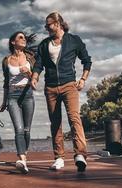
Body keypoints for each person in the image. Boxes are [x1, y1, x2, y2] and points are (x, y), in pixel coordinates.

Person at [31, 11, 92, 172]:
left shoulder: (74, 40)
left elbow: (86, 60)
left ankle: (80, 155)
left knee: (74, 118)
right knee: (55, 122)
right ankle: (59, 158)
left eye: (48, 25)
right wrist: (35, 77)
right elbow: (38, 64)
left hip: (69, 85)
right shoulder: (44, 44)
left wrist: (83, 79)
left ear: (58, 24)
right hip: (50, 87)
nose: (46, 28)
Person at [0, 31, 36, 174]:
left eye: (24, 37)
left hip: (27, 94)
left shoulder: (30, 58)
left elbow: (35, 81)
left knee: (27, 130)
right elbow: (5, 82)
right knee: (19, 129)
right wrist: (4, 102)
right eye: (20, 37)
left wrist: (29, 73)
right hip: (12, 96)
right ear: (13, 42)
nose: (24, 39)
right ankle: (22, 159)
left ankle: (23, 153)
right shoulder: (6, 61)